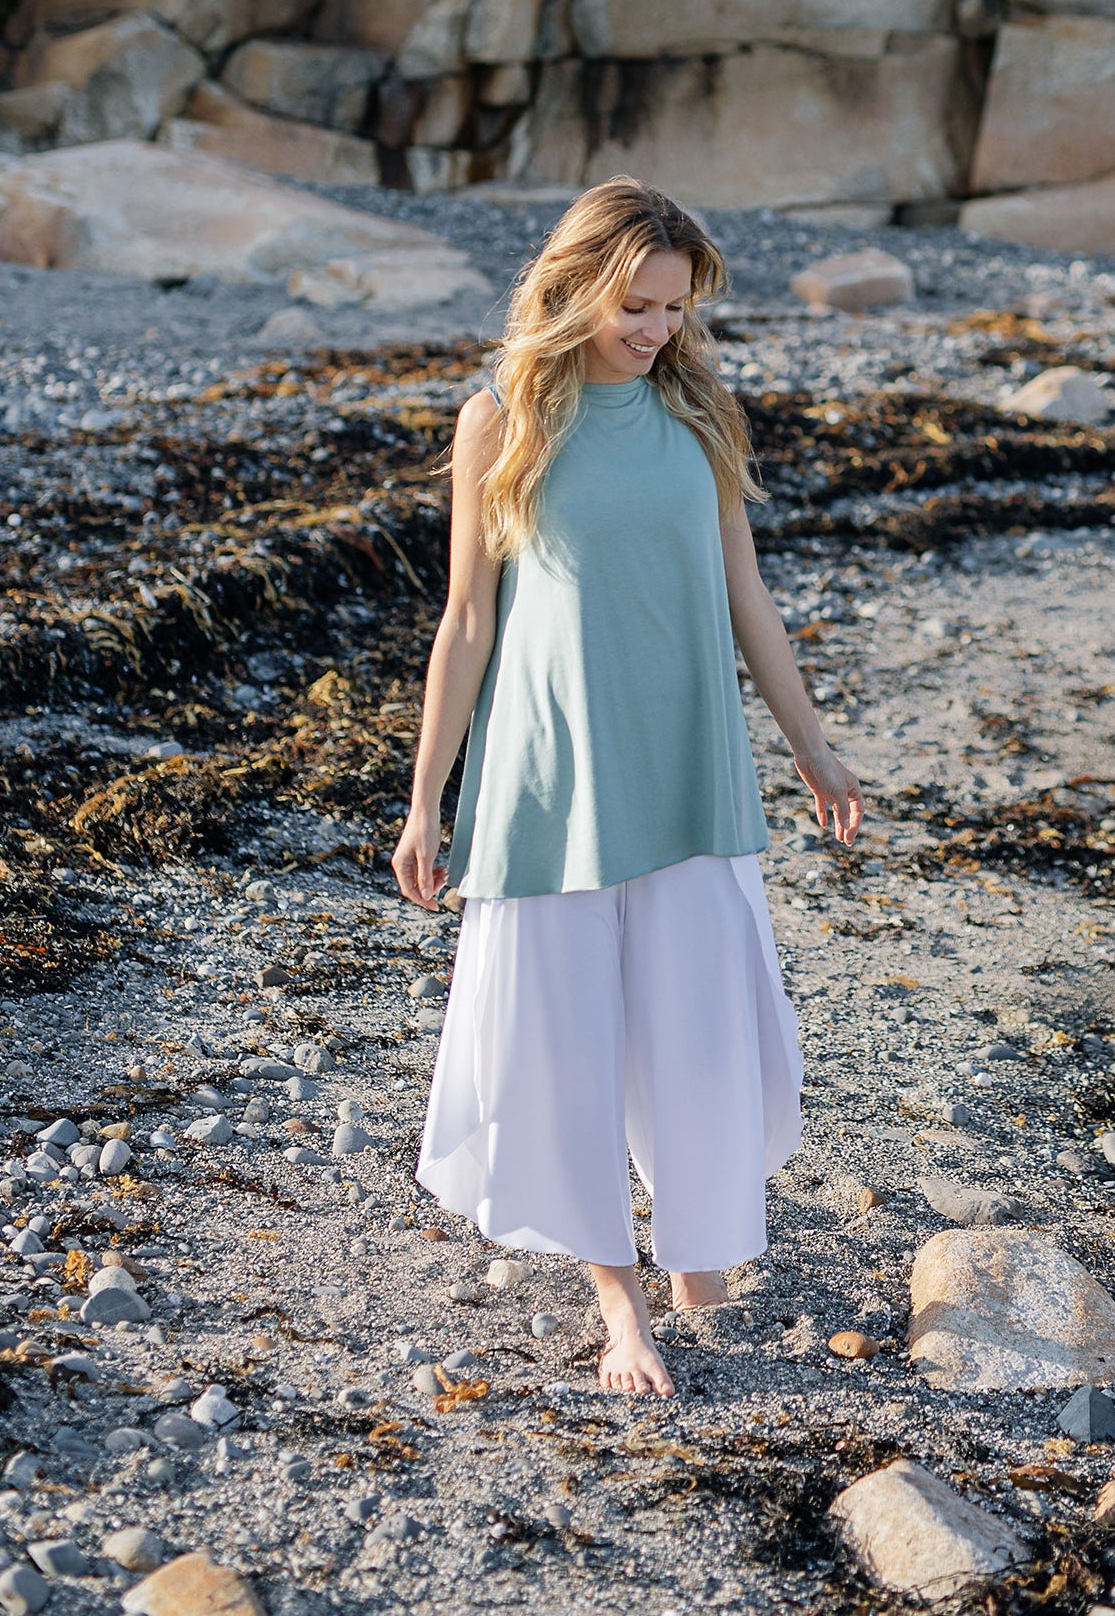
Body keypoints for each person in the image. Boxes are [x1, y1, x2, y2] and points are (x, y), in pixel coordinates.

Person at [392, 177, 863, 1398]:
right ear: (576, 281)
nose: (657, 329)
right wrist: (425, 795)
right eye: (637, 303)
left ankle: (698, 1248)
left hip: (691, 762)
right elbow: (465, 620)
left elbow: (746, 598)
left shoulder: (697, 413)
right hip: (552, 776)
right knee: (566, 1041)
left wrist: (811, 745)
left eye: (675, 307)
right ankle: (622, 1304)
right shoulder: (501, 418)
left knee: (700, 1031)